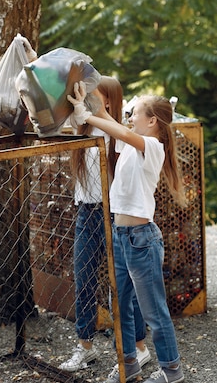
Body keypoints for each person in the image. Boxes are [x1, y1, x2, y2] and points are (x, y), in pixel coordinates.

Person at [68, 83, 187, 383]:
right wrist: (87, 104)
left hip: (141, 239)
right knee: (119, 306)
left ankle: (172, 372)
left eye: (135, 114)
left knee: (153, 311)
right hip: (121, 236)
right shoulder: (132, 146)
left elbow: (119, 131)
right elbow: (113, 124)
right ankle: (129, 363)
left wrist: (88, 116)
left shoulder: (153, 147)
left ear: (152, 122)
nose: (130, 117)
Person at [59, 76, 151, 373]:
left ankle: (137, 348)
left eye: (92, 95)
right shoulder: (80, 124)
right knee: (83, 278)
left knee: (121, 286)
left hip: (115, 215)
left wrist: (97, 114)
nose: (85, 98)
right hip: (87, 212)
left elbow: (122, 132)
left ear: (108, 101)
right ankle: (85, 346)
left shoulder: (117, 131)